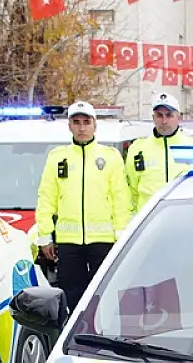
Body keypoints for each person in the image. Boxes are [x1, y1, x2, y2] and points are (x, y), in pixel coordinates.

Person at [36, 100, 131, 312]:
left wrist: (121, 236)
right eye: (76, 122)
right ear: (69, 126)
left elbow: (120, 199)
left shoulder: (110, 157)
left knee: (104, 294)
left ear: (95, 125)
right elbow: (46, 198)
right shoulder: (57, 157)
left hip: (104, 240)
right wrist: (45, 237)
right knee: (72, 296)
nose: (81, 127)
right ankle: (76, 332)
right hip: (68, 242)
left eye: (86, 122)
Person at [125, 92, 193, 214]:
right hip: (149, 221)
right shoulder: (138, 149)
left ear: (179, 117)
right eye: (159, 115)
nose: (164, 121)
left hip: (185, 218)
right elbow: (130, 191)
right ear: (153, 117)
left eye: (169, 115)